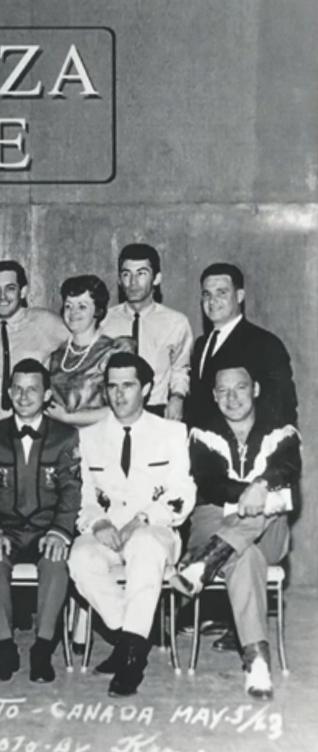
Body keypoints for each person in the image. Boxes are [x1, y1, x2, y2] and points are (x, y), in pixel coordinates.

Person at [67, 352, 196, 697]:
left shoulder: (172, 432)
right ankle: (133, 636)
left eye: (128, 385)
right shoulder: (89, 436)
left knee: (144, 547)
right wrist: (99, 523)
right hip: (109, 530)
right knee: (80, 560)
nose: (119, 394)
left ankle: (130, 662)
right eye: (112, 386)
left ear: (148, 388)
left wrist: (144, 519)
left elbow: (183, 492)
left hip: (155, 529)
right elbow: (85, 498)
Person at [171, 359, 301, 700]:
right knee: (244, 557)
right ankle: (257, 663)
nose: (232, 398)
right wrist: (250, 493)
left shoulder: (282, 431)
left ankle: (204, 564)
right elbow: (210, 483)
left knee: (273, 501)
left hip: (269, 530)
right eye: (223, 391)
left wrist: (260, 486)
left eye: (240, 388)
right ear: (214, 396)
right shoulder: (201, 434)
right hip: (212, 523)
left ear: (255, 389)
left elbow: (286, 471)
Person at [0, 359, 81, 683]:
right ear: (8, 392)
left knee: (56, 563)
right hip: (6, 530)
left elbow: (71, 488)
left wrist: (61, 532)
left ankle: (43, 648)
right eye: (17, 389)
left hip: (48, 529)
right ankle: (5, 646)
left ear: (47, 393)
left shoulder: (65, 436)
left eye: (32, 389)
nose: (23, 396)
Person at [187, 263, 297, 429]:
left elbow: (282, 406)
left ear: (239, 296)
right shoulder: (201, 344)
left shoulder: (265, 343)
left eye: (221, 293)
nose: (212, 301)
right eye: (206, 294)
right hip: (203, 448)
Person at [99, 244, 193, 419]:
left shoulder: (176, 322)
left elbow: (180, 369)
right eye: (126, 274)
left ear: (156, 279)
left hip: (158, 410)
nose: (133, 282)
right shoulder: (104, 321)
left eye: (141, 274)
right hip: (115, 412)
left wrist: (177, 398)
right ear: (119, 280)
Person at [0, 261, 68, 425]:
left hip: (36, 428)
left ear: (23, 292)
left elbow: (86, 344)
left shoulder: (45, 322)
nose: (2, 296)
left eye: (10, 288)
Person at [47, 275, 135, 428]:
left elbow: (123, 407)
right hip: (60, 444)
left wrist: (68, 418)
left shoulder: (113, 352)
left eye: (82, 306)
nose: (73, 312)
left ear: (98, 311)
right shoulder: (55, 355)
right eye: (68, 306)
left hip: (99, 439)